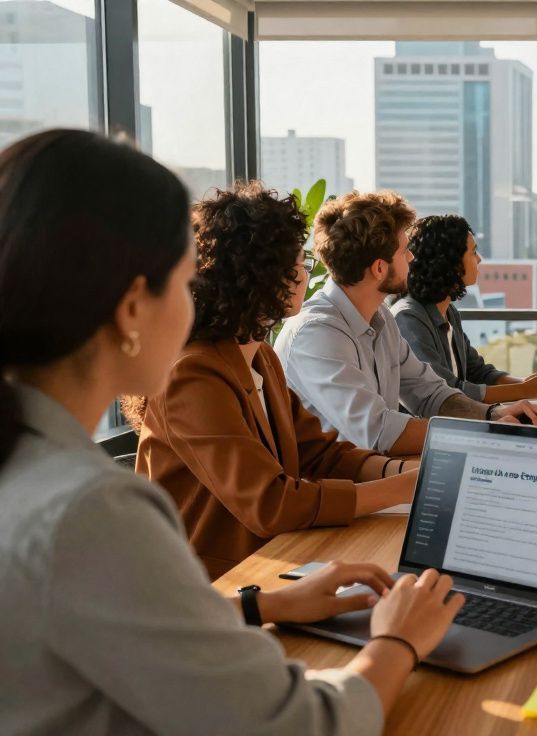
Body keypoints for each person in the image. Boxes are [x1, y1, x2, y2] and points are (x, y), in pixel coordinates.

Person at [0, 129, 463, 734]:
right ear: (132, 307)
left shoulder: (31, 474)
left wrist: (259, 605)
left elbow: (118, 617)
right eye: (185, 277)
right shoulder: (91, 512)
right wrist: (400, 640)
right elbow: (298, 725)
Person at [129, 182, 422, 580]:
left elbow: (319, 454)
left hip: (270, 559)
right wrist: (406, 489)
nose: (306, 273)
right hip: (210, 584)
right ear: (260, 275)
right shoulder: (191, 374)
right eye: (298, 262)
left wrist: (405, 475)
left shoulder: (259, 355)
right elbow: (270, 504)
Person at [274, 191, 537, 457]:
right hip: (339, 492)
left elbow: (431, 393)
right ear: (380, 269)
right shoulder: (317, 333)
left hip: (378, 475)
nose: (412, 259)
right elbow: (379, 432)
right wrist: (484, 431)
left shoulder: (381, 320)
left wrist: (493, 414)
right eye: (405, 251)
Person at [393, 214, 537, 403]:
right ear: (452, 262)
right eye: (473, 252)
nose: (479, 259)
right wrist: (525, 390)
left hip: (458, 423)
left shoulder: (448, 311)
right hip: (432, 429)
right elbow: (446, 391)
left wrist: (531, 385)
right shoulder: (409, 317)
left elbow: (478, 372)